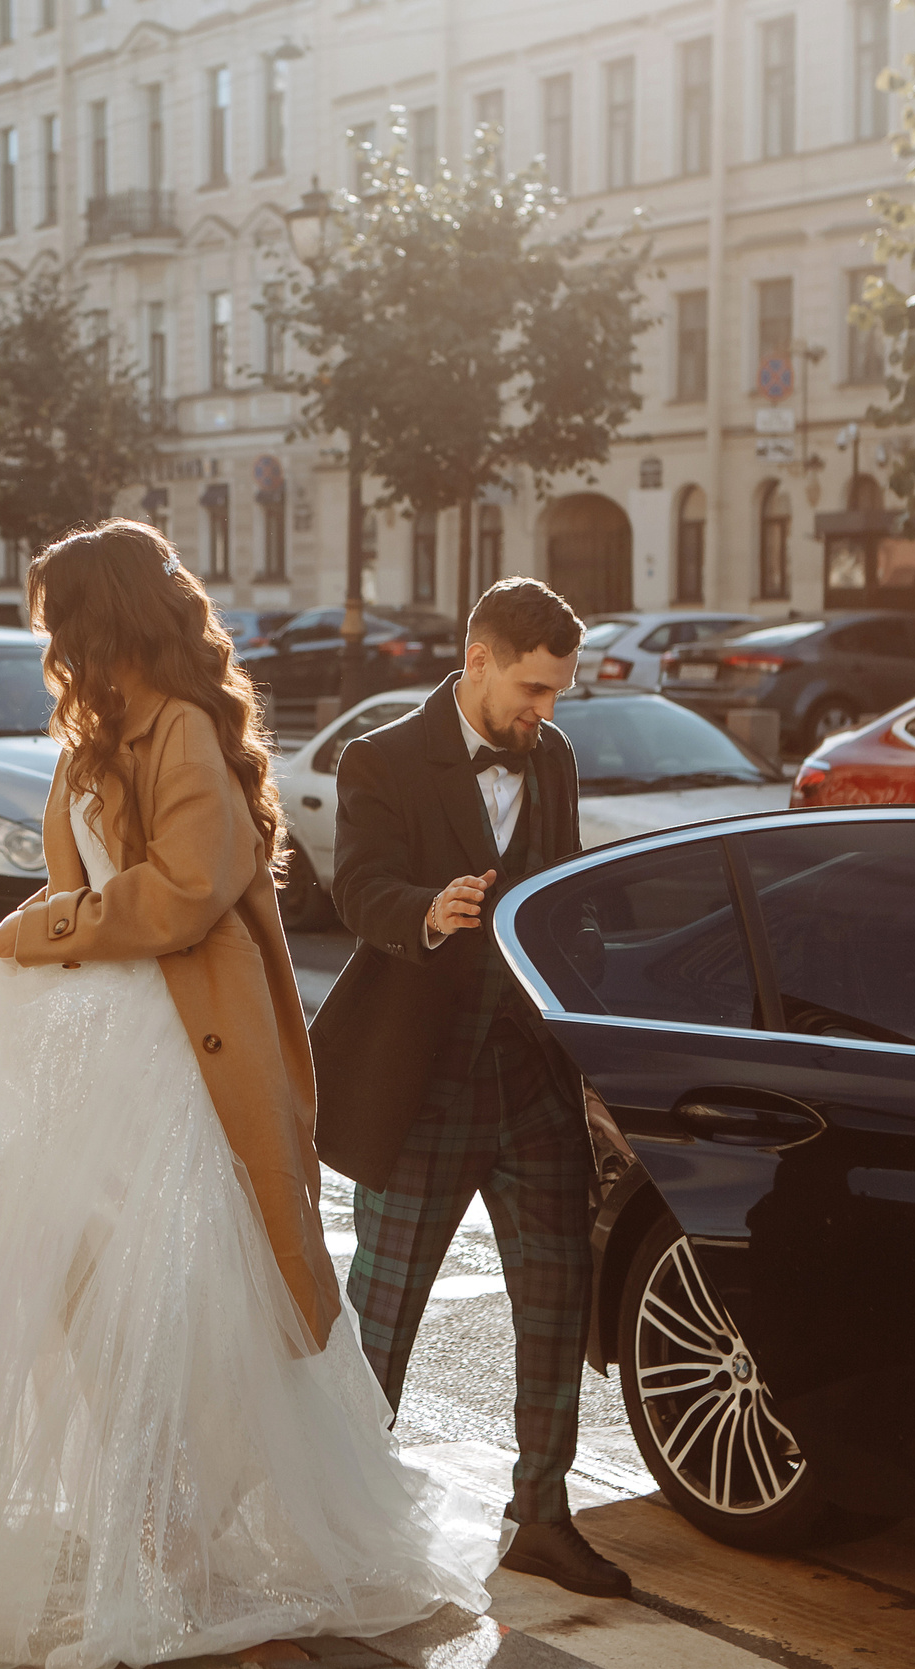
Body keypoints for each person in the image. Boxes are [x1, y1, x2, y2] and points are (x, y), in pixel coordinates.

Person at [0, 519, 499, 1669]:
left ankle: (172, 1546)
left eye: (58, 623)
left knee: (186, 1311)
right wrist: (49, 939)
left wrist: (42, 930)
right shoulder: (93, 742)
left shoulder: (184, 732)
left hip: (180, 1062)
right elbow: (85, 885)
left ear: (101, 619)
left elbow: (178, 897)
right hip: (81, 1060)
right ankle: (143, 1526)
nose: (48, 645)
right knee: (68, 1303)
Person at [309, 577, 632, 1600]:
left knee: (554, 1298)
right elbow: (356, 889)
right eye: (534, 688)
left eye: (558, 694)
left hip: (531, 1078)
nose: (546, 711)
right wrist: (426, 908)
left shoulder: (556, 758)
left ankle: (540, 1516)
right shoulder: (382, 758)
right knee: (384, 1312)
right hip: (422, 1079)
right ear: (479, 658)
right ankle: (338, 1518)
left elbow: (558, 894)